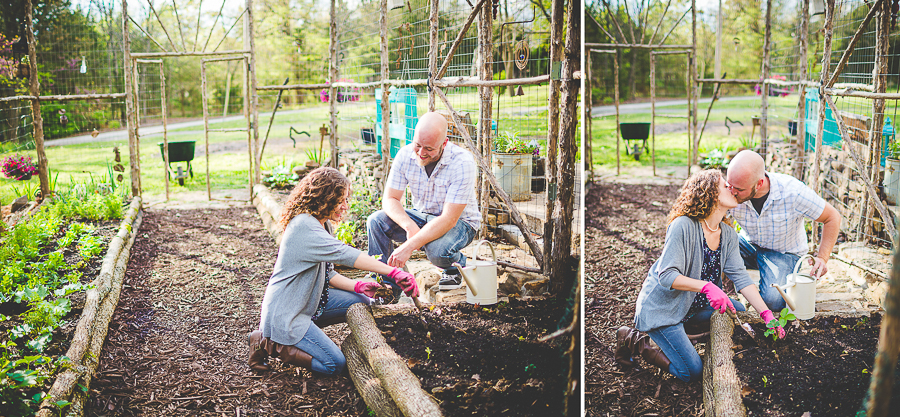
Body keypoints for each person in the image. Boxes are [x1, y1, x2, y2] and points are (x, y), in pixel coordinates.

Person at [616, 169, 785, 383]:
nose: (731, 188)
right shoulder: (683, 226)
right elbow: (666, 276)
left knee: (738, 309)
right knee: (692, 372)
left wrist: (767, 315)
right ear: (710, 193)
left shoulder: (729, 235)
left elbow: (741, 278)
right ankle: (636, 340)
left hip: (691, 307)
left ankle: (683, 338)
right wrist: (707, 287)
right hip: (663, 309)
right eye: (725, 185)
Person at [248, 167, 419, 376]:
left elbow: (328, 274)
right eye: (341, 201)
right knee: (334, 365)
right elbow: (344, 254)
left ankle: (286, 338)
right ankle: (270, 344)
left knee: (360, 301)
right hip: (287, 313)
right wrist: (393, 273)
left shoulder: (322, 224)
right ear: (323, 199)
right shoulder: (304, 226)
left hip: (309, 302)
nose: (345, 207)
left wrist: (359, 286)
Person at [366, 112, 480, 293]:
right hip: (422, 216)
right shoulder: (405, 155)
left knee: (437, 251)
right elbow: (390, 199)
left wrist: (409, 246)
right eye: (417, 145)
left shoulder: (462, 162)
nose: (420, 153)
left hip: (460, 223)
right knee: (376, 221)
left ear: (444, 143)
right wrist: (410, 227)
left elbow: (449, 219)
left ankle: (456, 265)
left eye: (428, 148)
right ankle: (387, 286)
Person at [725, 150, 841, 311]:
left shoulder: (793, 192)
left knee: (774, 301)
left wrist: (822, 257)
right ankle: (724, 291)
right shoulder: (731, 189)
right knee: (716, 244)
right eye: (729, 185)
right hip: (749, 244)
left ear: (759, 184)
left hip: (784, 253)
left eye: (738, 189)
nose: (731, 192)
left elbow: (832, 217)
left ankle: (767, 281)